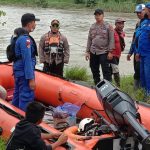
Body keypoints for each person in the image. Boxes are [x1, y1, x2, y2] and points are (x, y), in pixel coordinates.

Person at [12, 13, 39, 111]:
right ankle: (24, 121)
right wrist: (31, 79)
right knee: (26, 97)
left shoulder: (16, 36)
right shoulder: (25, 39)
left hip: (18, 71)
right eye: (34, 22)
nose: (35, 25)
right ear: (29, 24)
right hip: (24, 74)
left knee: (17, 94)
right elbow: (27, 59)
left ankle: (14, 117)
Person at [85, 9, 115, 85]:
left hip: (104, 52)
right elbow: (89, 39)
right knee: (94, 69)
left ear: (103, 15)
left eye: (99, 15)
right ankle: (97, 84)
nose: (97, 16)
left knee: (106, 70)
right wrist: (87, 51)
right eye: (96, 15)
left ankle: (108, 86)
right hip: (93, 51)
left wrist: (111, 52)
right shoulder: (92, 26)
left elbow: (112, 39)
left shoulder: (108, 26)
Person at [127, 4, 145, 89]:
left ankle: (142, 90)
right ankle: (136, 89)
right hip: (136, 52)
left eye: (140, 12)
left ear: (145, 11)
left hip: (144, 53)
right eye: (137, 13)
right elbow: (134, 39)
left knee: (142, 71)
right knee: (136, 70)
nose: (138, 14)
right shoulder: (138, 24)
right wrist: (130, 52)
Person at [136, 3, 150, 99]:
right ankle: (144, 95)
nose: (143, 11)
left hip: (149, 54)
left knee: (148, 75)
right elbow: (139, 38)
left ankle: (148, 95)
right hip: (141, 54)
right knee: (142, 75)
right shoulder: (144, 22)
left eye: (144, 9)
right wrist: (137, 52)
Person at [111, 18, 126, 87]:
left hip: (118, 55)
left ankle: (110, 84)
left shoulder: (122, 33)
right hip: (112, 55)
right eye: (119, 23)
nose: (121, 25)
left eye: (122, 23)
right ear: (115, 24)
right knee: (115, 69)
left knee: (112, 70)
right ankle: (118, 85)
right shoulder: (112, 32)